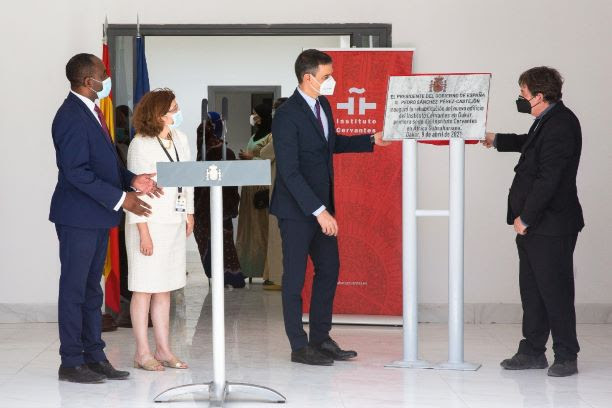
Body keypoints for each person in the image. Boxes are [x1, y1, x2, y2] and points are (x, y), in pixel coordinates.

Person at [271, 49, 389, 365]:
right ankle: (299, 346)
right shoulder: (286, 115)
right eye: (326, 76)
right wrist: (319, 211)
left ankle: (321, 338)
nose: (332, 81)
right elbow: (289, 170)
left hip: (322, 208)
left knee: (329, 269)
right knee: (294, 279)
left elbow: (331, 143)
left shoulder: (323, 105)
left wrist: (371, 139)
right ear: (307, 78)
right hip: (297, 211)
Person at [50, 53, 161, 384]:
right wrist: (121, 198)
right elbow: (76, 172)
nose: (106, 78)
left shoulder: (93, 113)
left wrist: (131, 180)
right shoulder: (70, 115)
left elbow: (105, 163)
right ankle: (71, 361)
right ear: (88, 81)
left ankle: (95, 355)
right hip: (78, 217)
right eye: (103, 74)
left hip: (96, 217)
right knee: (74, 290)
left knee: (91, 291)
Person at [484, 66, 584, 377]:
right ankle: (532, 351)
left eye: (523, 95)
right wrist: (494, 139)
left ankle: (566, 355)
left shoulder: (561, 125)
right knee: (533, 290)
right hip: (535, 226)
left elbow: (549, 179)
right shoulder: (547, 121)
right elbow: (529, 144)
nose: (520, 99)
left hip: (549, 225)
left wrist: (526, 217)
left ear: (539, 96)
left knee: (555, 291)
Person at [126, 89, 193, 371]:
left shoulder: (181, 139)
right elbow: (135, 192)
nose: (177, 113)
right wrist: (143, 233)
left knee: (164, 289)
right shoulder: (140, 144)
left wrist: (189, 212)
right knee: (144, 289)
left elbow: (188, 177)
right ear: (158, 112)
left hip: (173, 223)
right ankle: (142, 352)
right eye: (173, 108)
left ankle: (164, 349)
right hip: (149, 223)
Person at [194, 112, 244, 288]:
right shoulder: (223, 151)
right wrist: (231, 206)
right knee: (223, 240)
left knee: (211, 239)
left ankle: (217, 275)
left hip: (202, 207)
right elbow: (230, 186)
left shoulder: (203, 149)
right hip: (219, 207)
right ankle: (230, 277)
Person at [235, 104, 273, 280]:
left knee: (261, 228)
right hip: (249, 185)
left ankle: (265, 270)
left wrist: (252, 158)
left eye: (256, 114)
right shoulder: (254, 135)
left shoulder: (271, 136)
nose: (253, 117)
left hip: (262, 186)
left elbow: (270, 159)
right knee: (247, 227)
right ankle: (247, 268)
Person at [260, 97, 288, 291]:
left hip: (279, 186)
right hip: (290, 187)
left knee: (277, 233)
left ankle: (278, 276)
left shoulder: (281, 132)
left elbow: (264, 154)